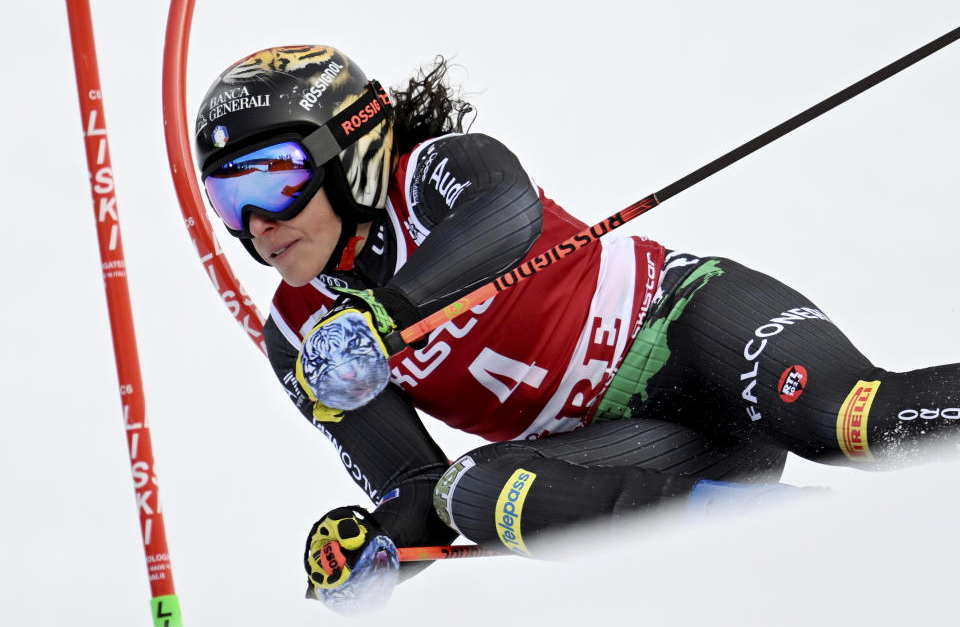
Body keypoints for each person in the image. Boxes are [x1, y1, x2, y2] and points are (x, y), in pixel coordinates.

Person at [194, 45, 960, 608]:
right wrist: (378, 546)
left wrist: (386, 315)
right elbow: (415, 486)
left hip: (691, 330)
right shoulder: (300, 336)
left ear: (349, 156)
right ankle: (800, 538)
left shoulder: (430, 175)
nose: (259, 224)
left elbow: (506, 214)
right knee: (472, 492)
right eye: (231, 202)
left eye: (277, 180)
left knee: (852, 423)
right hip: (645, 446)